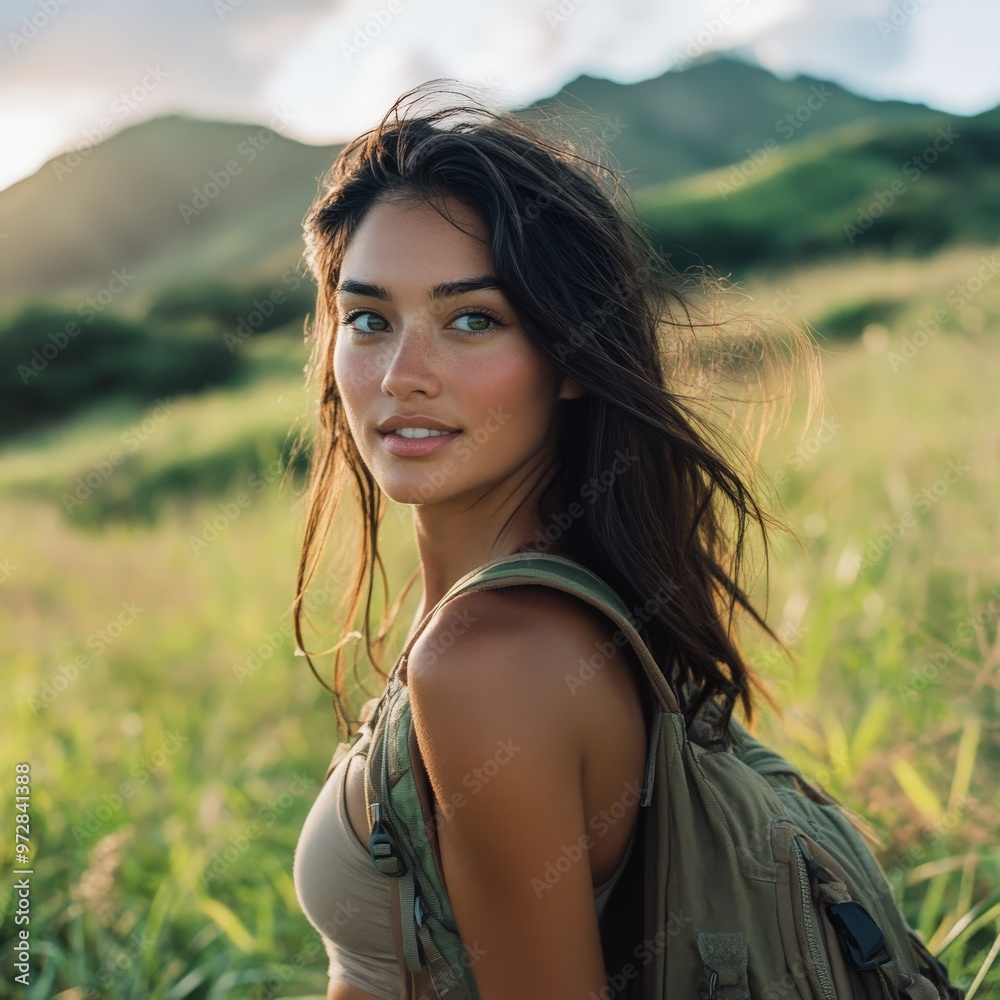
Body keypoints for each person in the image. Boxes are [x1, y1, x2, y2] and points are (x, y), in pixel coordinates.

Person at [290, 80, 821, 1000]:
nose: (403, 374)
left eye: (472, 319)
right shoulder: (544, 608)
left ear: (570, 357)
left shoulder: (489, 661)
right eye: (369, 319)